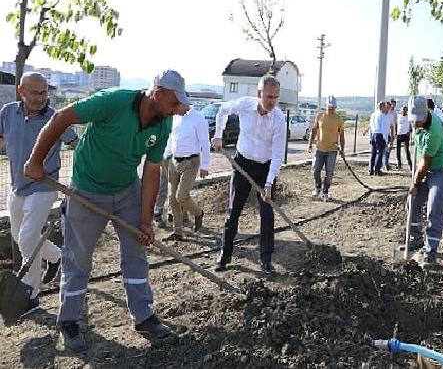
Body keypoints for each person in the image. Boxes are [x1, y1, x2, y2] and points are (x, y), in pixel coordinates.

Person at [24, 69, 190, 351]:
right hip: (86, 190)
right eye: (175, 103)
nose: (178, 110)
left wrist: (146, 221)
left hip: (127, 192)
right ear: (158, 94)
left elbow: (151, 173)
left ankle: (144, 315)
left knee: (136, 251)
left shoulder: (162, 125)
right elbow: (61, 118)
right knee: (78, 258)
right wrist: (35, 161)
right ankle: (69, 321)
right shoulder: (114, 102)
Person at [0, 72, 77, 311]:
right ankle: (56, 257)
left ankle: (30, 294)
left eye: (44, 93)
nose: (40, 98)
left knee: (27, 238)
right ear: (21, 92)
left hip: (45, 185)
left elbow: (76, 145)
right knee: (20, 236)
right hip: (17, 185)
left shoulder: (56, 118)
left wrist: (82, 177)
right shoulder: (7, 112)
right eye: (34, 93)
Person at [212, 75, 286, 275]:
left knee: (267, 214)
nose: (272, 101)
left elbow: (278, 153)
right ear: (259, 93)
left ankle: (266, 260)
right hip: (242, 163)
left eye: (275, 97)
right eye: (269, 96)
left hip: (265, 168)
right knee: (234, 210)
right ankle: (224, 255)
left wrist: (269, 184)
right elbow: (223, 110)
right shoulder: (245, 105)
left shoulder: (279, 118)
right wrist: (218, 135)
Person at [407, 95, 443, 266]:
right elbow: (420, 156)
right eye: (414, 120)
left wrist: (416, 183)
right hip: (425, 166)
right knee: (412, 200)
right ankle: (416, 239)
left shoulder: (434, 130)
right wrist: (415, 179)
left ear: (427, 113)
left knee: (435, 207)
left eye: (419, 120)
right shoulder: (415, 122)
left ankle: (430, 251)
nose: (416, 123)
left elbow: (426, 162)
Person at [165, 106, 210, 240]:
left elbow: (205, 143)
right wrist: (165, 156)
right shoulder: (175, 117)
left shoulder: (197, 118)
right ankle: (177, 232)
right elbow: (171, 138)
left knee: (181, 196)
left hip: (191, 162)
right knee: (172, 198)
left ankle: (198, 213)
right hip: (174, 161)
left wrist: (205, 166)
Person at [307, 95, 345, 202]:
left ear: (335, 107)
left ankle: (325, 192)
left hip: (332, 149)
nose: (331, 109)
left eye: (332, 108)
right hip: (320, 149)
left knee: (329, 172)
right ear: (326, 107)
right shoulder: (320, 116)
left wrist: (342, 149)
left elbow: (341, 135)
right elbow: (314, 130)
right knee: (316, 170)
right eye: (329, 107)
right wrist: (310, 144)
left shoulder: (338, 119)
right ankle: (317, 187)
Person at [367, 101, 390, 176]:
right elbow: (384, 128)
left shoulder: (373, 115)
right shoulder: (382, 115)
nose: (385, 108)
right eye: (384, 107)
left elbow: (371, 126)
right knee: (380, 153)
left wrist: (370, 137)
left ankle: (370, 169)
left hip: (373, 134)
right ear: (382, 107)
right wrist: (385, 139)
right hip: (380, 135)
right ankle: (377, 170)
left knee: (373, 153)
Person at [396, 105, 412, 171]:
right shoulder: (398, 116)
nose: (403, 111)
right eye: (402, 110)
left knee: (406, 150)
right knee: (398, 151)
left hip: (405, 135)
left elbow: (412, 126)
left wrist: (409, 131)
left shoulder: (409, 117)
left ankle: (410, 164)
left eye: (405, 110)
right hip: (399, 135)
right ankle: (399, 164)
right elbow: (396, 124)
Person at [383, 99, 397, 171]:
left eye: (393, 105)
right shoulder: (383, 114)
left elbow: (394, 125)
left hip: (389, 134)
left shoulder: (393, 114)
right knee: (384, 150)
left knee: (388, 150)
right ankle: (384, 164)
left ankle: (386, 163)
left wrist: (394, 134)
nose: (391, 107)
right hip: (383, 135)